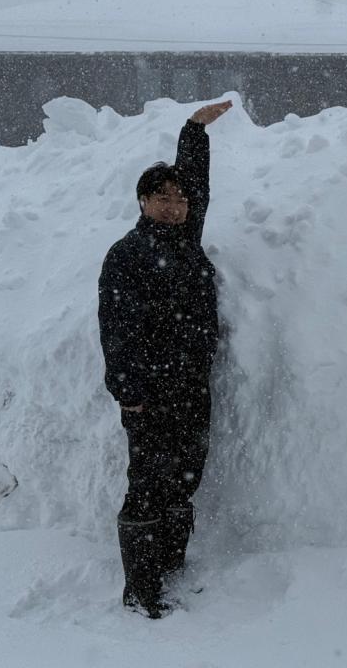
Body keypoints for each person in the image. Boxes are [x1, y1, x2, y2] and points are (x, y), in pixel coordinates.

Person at [98, 100, 232, 618]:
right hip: (149, 393)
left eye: (178, 198)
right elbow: (116, 329)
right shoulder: (127, 255)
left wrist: (194, 131)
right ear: (142, 202)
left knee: (184, 478)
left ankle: (170, 567)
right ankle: (140, 588)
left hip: (191, 386)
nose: (174, 205)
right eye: (163, 197)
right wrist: (129, 392)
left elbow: (196, 182)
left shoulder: (186, 243)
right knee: (149, 483)